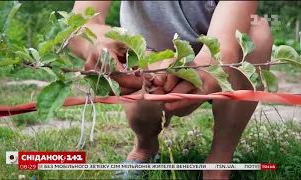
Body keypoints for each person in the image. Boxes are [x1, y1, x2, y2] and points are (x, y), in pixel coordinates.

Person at [69, 1, 273, 179]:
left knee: (257, 34)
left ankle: (218, 164)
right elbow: (80, 24)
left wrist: (206, 69)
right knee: (143, 113)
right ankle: (145, 147)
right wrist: (97, 43)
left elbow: (224, 47)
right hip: (149, 55)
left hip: (214, 56)